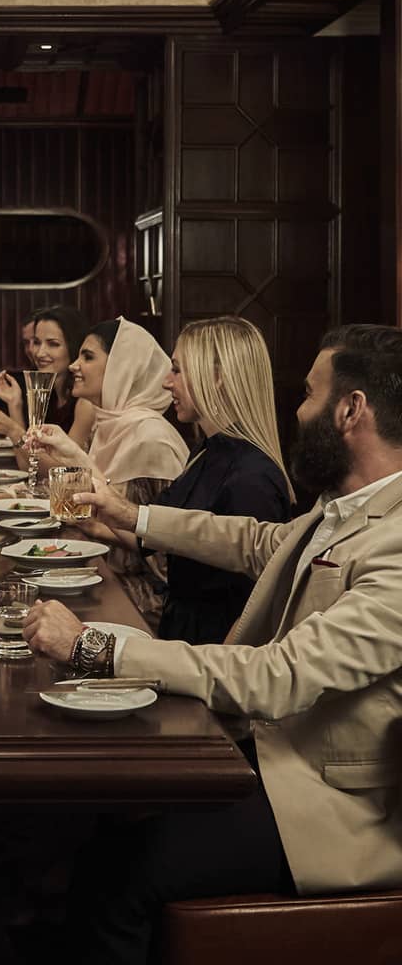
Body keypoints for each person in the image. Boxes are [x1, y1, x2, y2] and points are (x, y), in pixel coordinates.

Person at [23, 323, 402, 964]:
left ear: (350, 410)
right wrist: (131, 517)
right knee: (104, 818)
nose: (296, 409)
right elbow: (255, 541)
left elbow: (280, 675)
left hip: (331, 804)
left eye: (308, 394)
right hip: (268, 754)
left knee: (120, 877)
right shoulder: (346, 506)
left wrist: (98, 647)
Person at [41, 316, 293, 643]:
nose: (165, 382)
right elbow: (155, 535)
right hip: (179, 634)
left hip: (201, 651)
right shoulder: (209, 452)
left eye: (177, 369)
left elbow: (255, 612)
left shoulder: (252, 477)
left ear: (215, 378)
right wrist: (97, 514)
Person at [31, 316, 188, 626]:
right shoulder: (112, 424)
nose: (74, 365)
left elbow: (164, 553)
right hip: (105, 569)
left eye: (87, 357)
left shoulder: (150, 438)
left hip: (146, 598)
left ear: (122, 367)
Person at [0, 306, 94, 448]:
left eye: (53, 344)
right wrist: (14, 404)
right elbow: (29, 462)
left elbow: (62, 467)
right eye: (37, 342)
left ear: (74, 347)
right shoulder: (48, 394)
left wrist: (13, 430)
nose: (39, 353)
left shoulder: (85, 403)